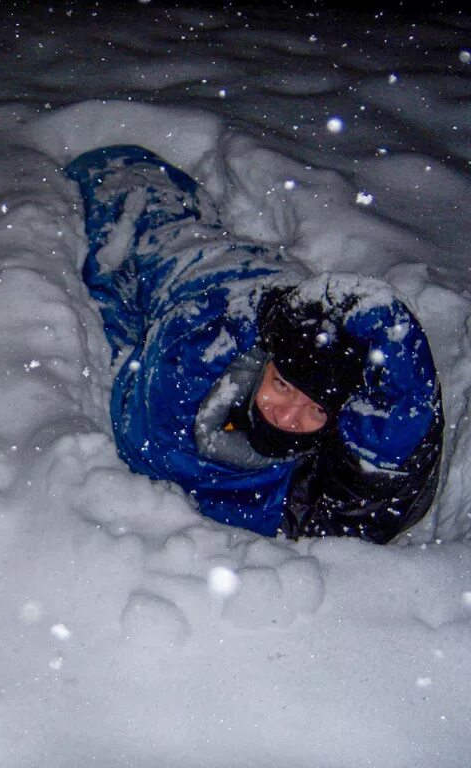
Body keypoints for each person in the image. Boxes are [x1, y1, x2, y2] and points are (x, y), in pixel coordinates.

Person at [66, 145, 443, 544]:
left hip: (285, 301)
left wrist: (398, 352)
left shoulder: (320, 482)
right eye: (282, 386)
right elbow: (162, 393)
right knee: (150, 232)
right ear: (264, 366)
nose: (287, 417)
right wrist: (260, 312)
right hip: (227, 286)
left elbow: (385, 483)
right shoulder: (192, 378)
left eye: (315, 409)